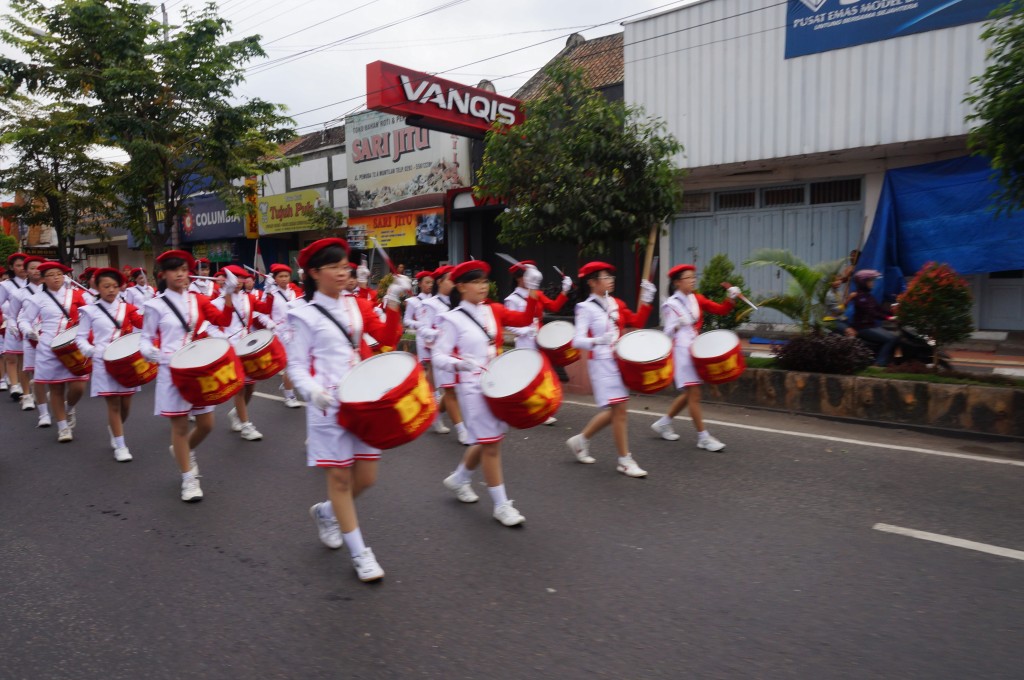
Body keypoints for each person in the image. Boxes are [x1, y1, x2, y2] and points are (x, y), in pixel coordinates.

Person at [285, 237, 408, 583]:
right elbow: (295, 366)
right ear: (313, 272)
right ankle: (360, 553)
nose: (344, 272)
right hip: (326, 405)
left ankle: (327, 512)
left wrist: (395, 301)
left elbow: (386, 337)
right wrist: (312, 392)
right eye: (335, 267)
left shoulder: (357, 306)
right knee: (339, 478)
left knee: (367, 477)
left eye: (345, 266)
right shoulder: (301, 314)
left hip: (362, 398)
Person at [432, 260, 540, 526]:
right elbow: (438, 356)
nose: (482, 287)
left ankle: (459, 478)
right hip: (471, 386)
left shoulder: (493, 310)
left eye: (484, 282)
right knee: (491, 444)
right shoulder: (451, 318)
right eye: (476, 282)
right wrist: (460, 364)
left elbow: (526, 318)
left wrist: (534, 291)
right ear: (461, 286)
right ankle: (501, 505)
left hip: (497, 382)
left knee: (487, 439)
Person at [139, 250, 237, 503]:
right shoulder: (154, 305)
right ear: (163, 275)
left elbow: (224, 320)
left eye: (184, 269)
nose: (181, 274)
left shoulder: (199, 300)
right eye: (175, 269)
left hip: (197, 367)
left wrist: (228, 294)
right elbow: (145, 342)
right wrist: (160, 356)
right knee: (180, 425)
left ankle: (182, 451)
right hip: (170, 371)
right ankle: (188, 478)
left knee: (207, 424)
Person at [565, 262, 656, 478]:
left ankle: (581, 440)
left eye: (611, 277)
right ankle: (624, 460)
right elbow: (577, 341)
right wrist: (598, 340)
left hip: (619, 360)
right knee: (620, 410)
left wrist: (647, 300)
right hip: (601, 363)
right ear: (592, 282)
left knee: (616, 410)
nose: (611, 281)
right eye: (605, 277)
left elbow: (637, 322)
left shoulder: (617, 303)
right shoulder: (584, 308)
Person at [650, 264, 740, 450]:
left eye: (693, 277)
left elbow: (720, 310)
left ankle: (664, 423)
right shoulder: (671, 304)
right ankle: (703, 437)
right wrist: (677, 325)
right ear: (677, 282)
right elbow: (667, 333)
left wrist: (731, 298)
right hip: (681, 351)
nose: (693, 280)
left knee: (690, 393)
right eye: (688, 277)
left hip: (695, 349)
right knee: (695, 393)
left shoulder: (696, 298)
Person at [75, 268, 144, 461]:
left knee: (126, 405)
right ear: (97, 287)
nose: (111, 290)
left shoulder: (128, 308)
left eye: (114, 286)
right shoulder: (89, 311)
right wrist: (91, 350)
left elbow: (144, 323)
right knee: (113, 403)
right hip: (103, 361)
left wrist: (149, 305)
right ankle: (121, 445)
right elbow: (80, 337)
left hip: (127, 360)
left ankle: (115, 429)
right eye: (106, 286)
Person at [18, 262, 90, 442]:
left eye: (59, 273)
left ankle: (70, 407)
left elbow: (92, 313)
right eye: (51, 274)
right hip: (49, 348)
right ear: (43, 278)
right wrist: (28, 331)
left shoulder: (78, 294)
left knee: (79, 386)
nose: (56, 277)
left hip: (74, 346)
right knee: (56, 387)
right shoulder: (38, 299)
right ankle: (63, 427)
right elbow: (25, 320)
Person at [503, 260, 573, 425]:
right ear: (519, 279)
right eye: (527, 275)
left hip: (539, 339)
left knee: (540, 374)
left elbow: (554, 307)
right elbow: (508, 323)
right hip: (525, 341)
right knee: (528, 377)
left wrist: (565, 290)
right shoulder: (512, 299)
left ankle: (537, 407)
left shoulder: (536, 294)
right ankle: (532, 409)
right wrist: (524, 330)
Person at [209, 265, 273, 441]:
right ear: (224, 278)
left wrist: (270, 291)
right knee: (240, 387)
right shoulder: (217, 302)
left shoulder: (248, 298)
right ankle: (246, 425)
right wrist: (225, 340)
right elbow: (210, 326)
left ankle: (236, 414)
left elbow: (267, 309)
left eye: (241, 278)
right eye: (234, 277)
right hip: (231, 349)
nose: (238, 281)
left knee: (250, 386)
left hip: (248, 346)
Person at [419, 265, 469, 444]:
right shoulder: (429, 304)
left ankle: (434, 415)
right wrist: (440, 333)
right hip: (442, 350)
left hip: (460, 351)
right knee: (450, 389)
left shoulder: (458, 301)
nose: (454, 284)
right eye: (450, 280)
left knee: (455, 389)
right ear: (440, 282)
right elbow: (423, 329)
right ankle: (461, 429)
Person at [258, 263, 304, 408]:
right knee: (289, 365)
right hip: (280, 334)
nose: (284, 279)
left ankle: (286, 386)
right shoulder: (270, 294)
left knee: (299, 364)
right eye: (280, 276)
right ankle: (290, 396)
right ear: (275, 278)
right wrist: (271, 324)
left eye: (286, 276)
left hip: (296, 332)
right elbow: (260, 313)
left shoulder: (295, 291)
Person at [11, 256, 47, 413]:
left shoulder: (52, 289)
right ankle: (26, 395)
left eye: (39, 267)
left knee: (49, 366)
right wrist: (14, 325)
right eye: (32, 268)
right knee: (27, 365)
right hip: (28, 332)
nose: (36, 271)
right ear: (26, 271)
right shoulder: (20, 293)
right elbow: (12, 314)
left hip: (48, 333)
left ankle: (49, 390)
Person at [850, 269, 898, 367]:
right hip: (863, 328)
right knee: (891, 339)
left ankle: (887, 361)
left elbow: (879, 309)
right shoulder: (860, 297)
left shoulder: (868, 296)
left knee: (893, 337)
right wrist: (888, 318)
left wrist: (893, 313)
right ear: (863, 283)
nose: (872, 283)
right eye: (870, 281)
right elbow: (872, 312)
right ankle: (879, 363)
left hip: (871, 326)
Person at [0, 252, 30, 402]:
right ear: (11, 267)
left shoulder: (36, 283)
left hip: (31, 325)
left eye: (24, 265)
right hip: (12, 324)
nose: (22, 268)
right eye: (18, 265)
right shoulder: (6, 285)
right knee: (11, 356)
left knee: (25, 359)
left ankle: (27, 388)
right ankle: (14, 385)